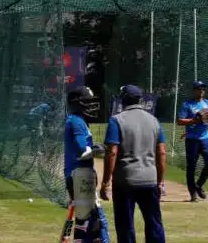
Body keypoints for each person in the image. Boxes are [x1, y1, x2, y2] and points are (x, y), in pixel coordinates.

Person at [100, 85, 167, 243]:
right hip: (149, 180)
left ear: (123, 99)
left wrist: (105, 182)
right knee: (154, 224)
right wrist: (160, 181)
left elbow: (112, 152)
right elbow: (162, 152)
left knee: (125, 225)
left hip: (125, 181)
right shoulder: (154, 121)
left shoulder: (117, 120)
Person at [64, 87, 110, 243]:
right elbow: (82, 151)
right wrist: (98, 150)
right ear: (76, 103)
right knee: (94, 220)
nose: (90, 106)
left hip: (80, 176)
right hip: (79, 177)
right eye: (87, 102)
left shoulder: (78, 120)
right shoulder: (76, 121)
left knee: (87, 221)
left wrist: (96, 149)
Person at [177, 80, 208, 202]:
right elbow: (180, 121)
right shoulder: (187, 104)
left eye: (203, 89)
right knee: (191, 167)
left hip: (205, 138)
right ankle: (192, 193)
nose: (202, 91)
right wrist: (195, 120)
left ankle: (198, 185)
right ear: (194, 90)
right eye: (199, 88)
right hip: (192, 140)